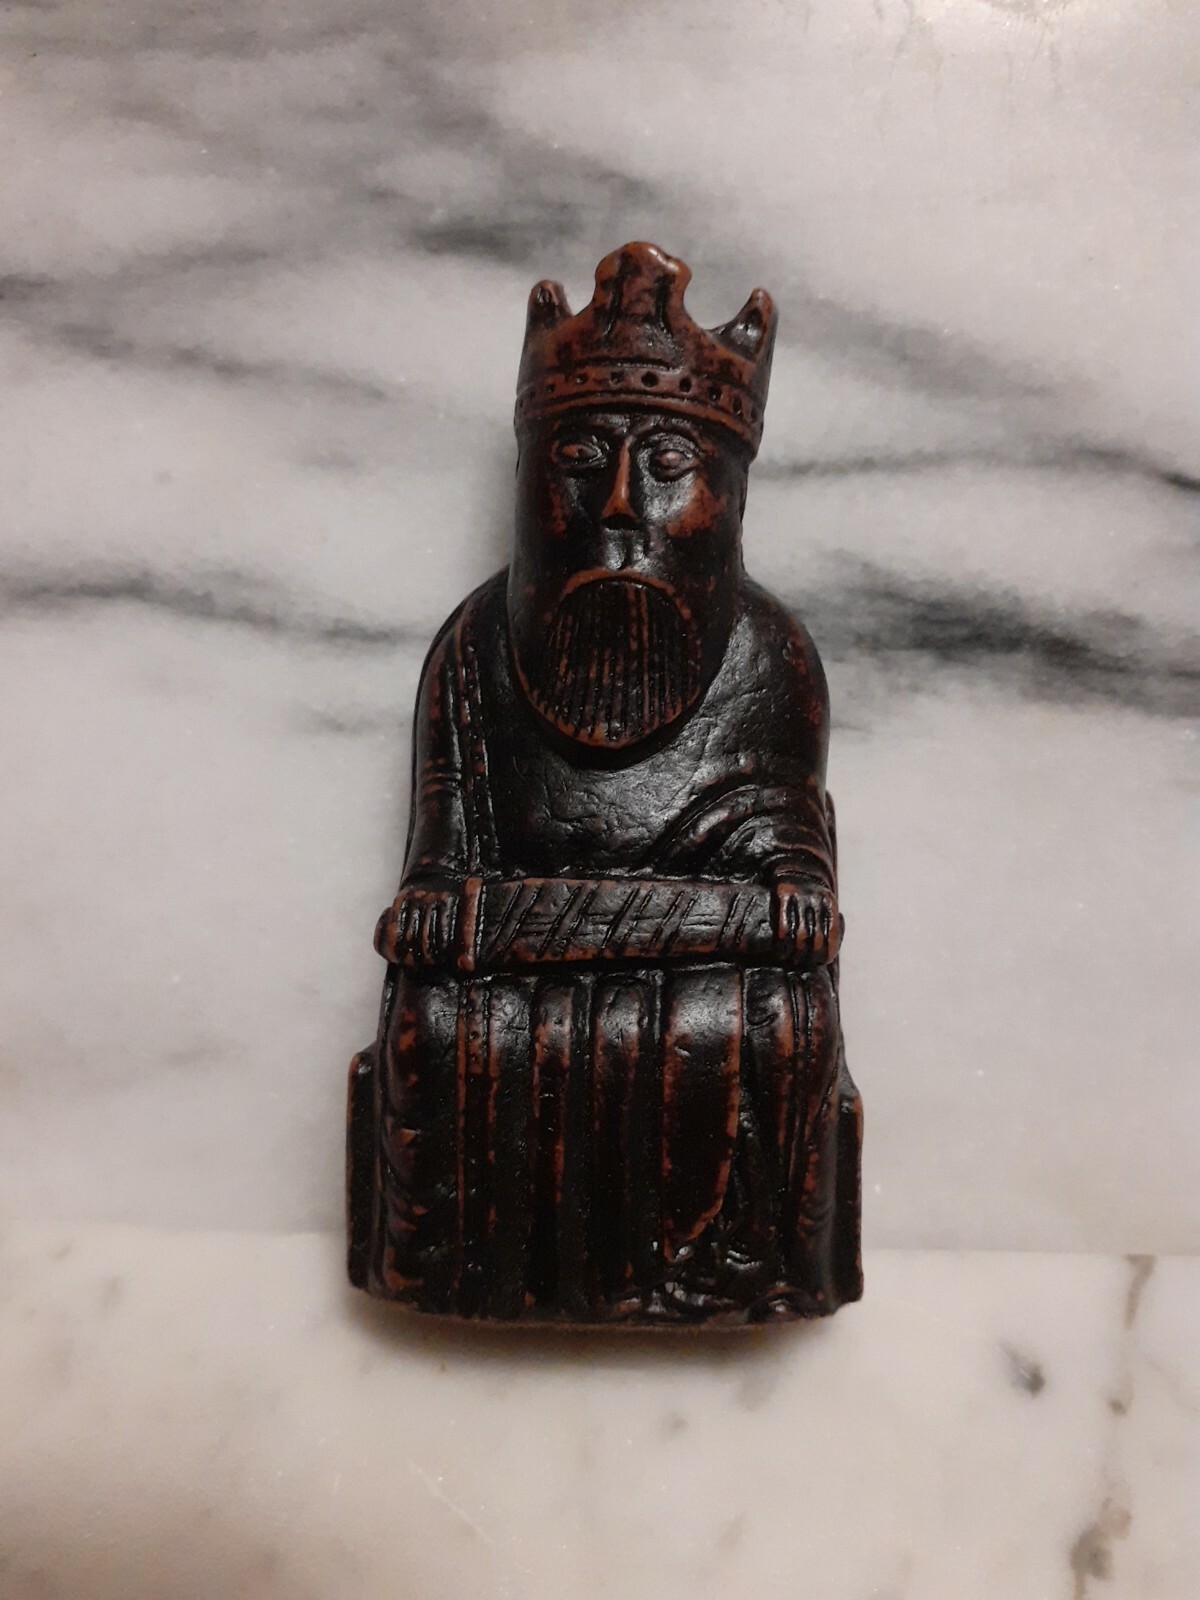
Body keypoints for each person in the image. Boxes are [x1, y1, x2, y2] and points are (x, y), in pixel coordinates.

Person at [348, 243, 862, 1324]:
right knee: (435, 1030)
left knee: (768, 1025)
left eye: (668, 460)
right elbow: (438, 863)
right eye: (582, 456)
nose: (621, 500)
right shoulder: (473, 646)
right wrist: (439, 905)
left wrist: (792, 895)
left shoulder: (771, 655)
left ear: (729, 490)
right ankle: (471, 1270)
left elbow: (793, 853)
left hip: (702, 957)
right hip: (518, 957)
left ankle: (729, 1274)